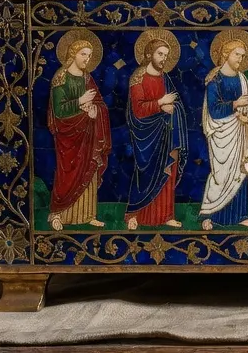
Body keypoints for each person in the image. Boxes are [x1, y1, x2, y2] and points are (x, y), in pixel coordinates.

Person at [47, 30, 111, 230]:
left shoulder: (87, 78)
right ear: (73, 53)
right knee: (67, 175)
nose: (87, 59)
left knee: (88, 170)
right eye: (83, 54)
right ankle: (57, 214)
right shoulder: (60, 77)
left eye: (89, 56)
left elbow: (100, 103)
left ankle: (88, 214)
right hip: (68, 136)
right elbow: (59, 111)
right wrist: (80, 101)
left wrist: (95, 111)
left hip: (87, 134)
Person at [125, 30, 187, 230]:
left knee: (167, 173)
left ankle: (166, 215)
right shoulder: (138, 78)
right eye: (160, 54)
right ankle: (134, 214)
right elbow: (138, 110)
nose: (163, 59)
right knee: (145, 175)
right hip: (147, 135)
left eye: (166, 55)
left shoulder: (164, 77)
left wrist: (172, 107)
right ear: (149, 54)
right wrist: (160, 104)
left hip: (167, 134)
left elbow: (176, 103)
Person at [200, 31, 248, 230]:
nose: (240, 59)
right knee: (221, 176)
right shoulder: (215, 80)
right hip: (223, 135)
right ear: (226, 54)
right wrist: (235, 105)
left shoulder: (242, 79)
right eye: (237, 55)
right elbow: (214, 110)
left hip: (242, 133)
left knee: (241, 172)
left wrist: (246, 111)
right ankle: (209, 215)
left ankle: (241, 215)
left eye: (243, 56)